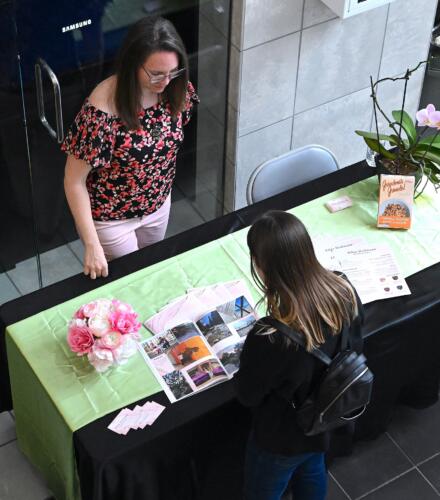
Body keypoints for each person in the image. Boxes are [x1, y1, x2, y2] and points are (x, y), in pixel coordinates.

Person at [234, 210, 364, 500]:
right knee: (312, 470)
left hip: (282, 438)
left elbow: (248, 395)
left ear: (262, 266)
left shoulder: (271, 336)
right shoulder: (345, 290)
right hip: (326, 419)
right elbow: (356, 344)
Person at [62, 16, 199, 279]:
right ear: (132, 65)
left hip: (158, 205)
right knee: (135, 279)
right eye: (157, 74)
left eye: (173, 72)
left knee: (152, 272)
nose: (166, 81)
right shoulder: (101, 112)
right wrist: (92, 245)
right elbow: (73, 182)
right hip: (112, 219)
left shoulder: (177, 89)